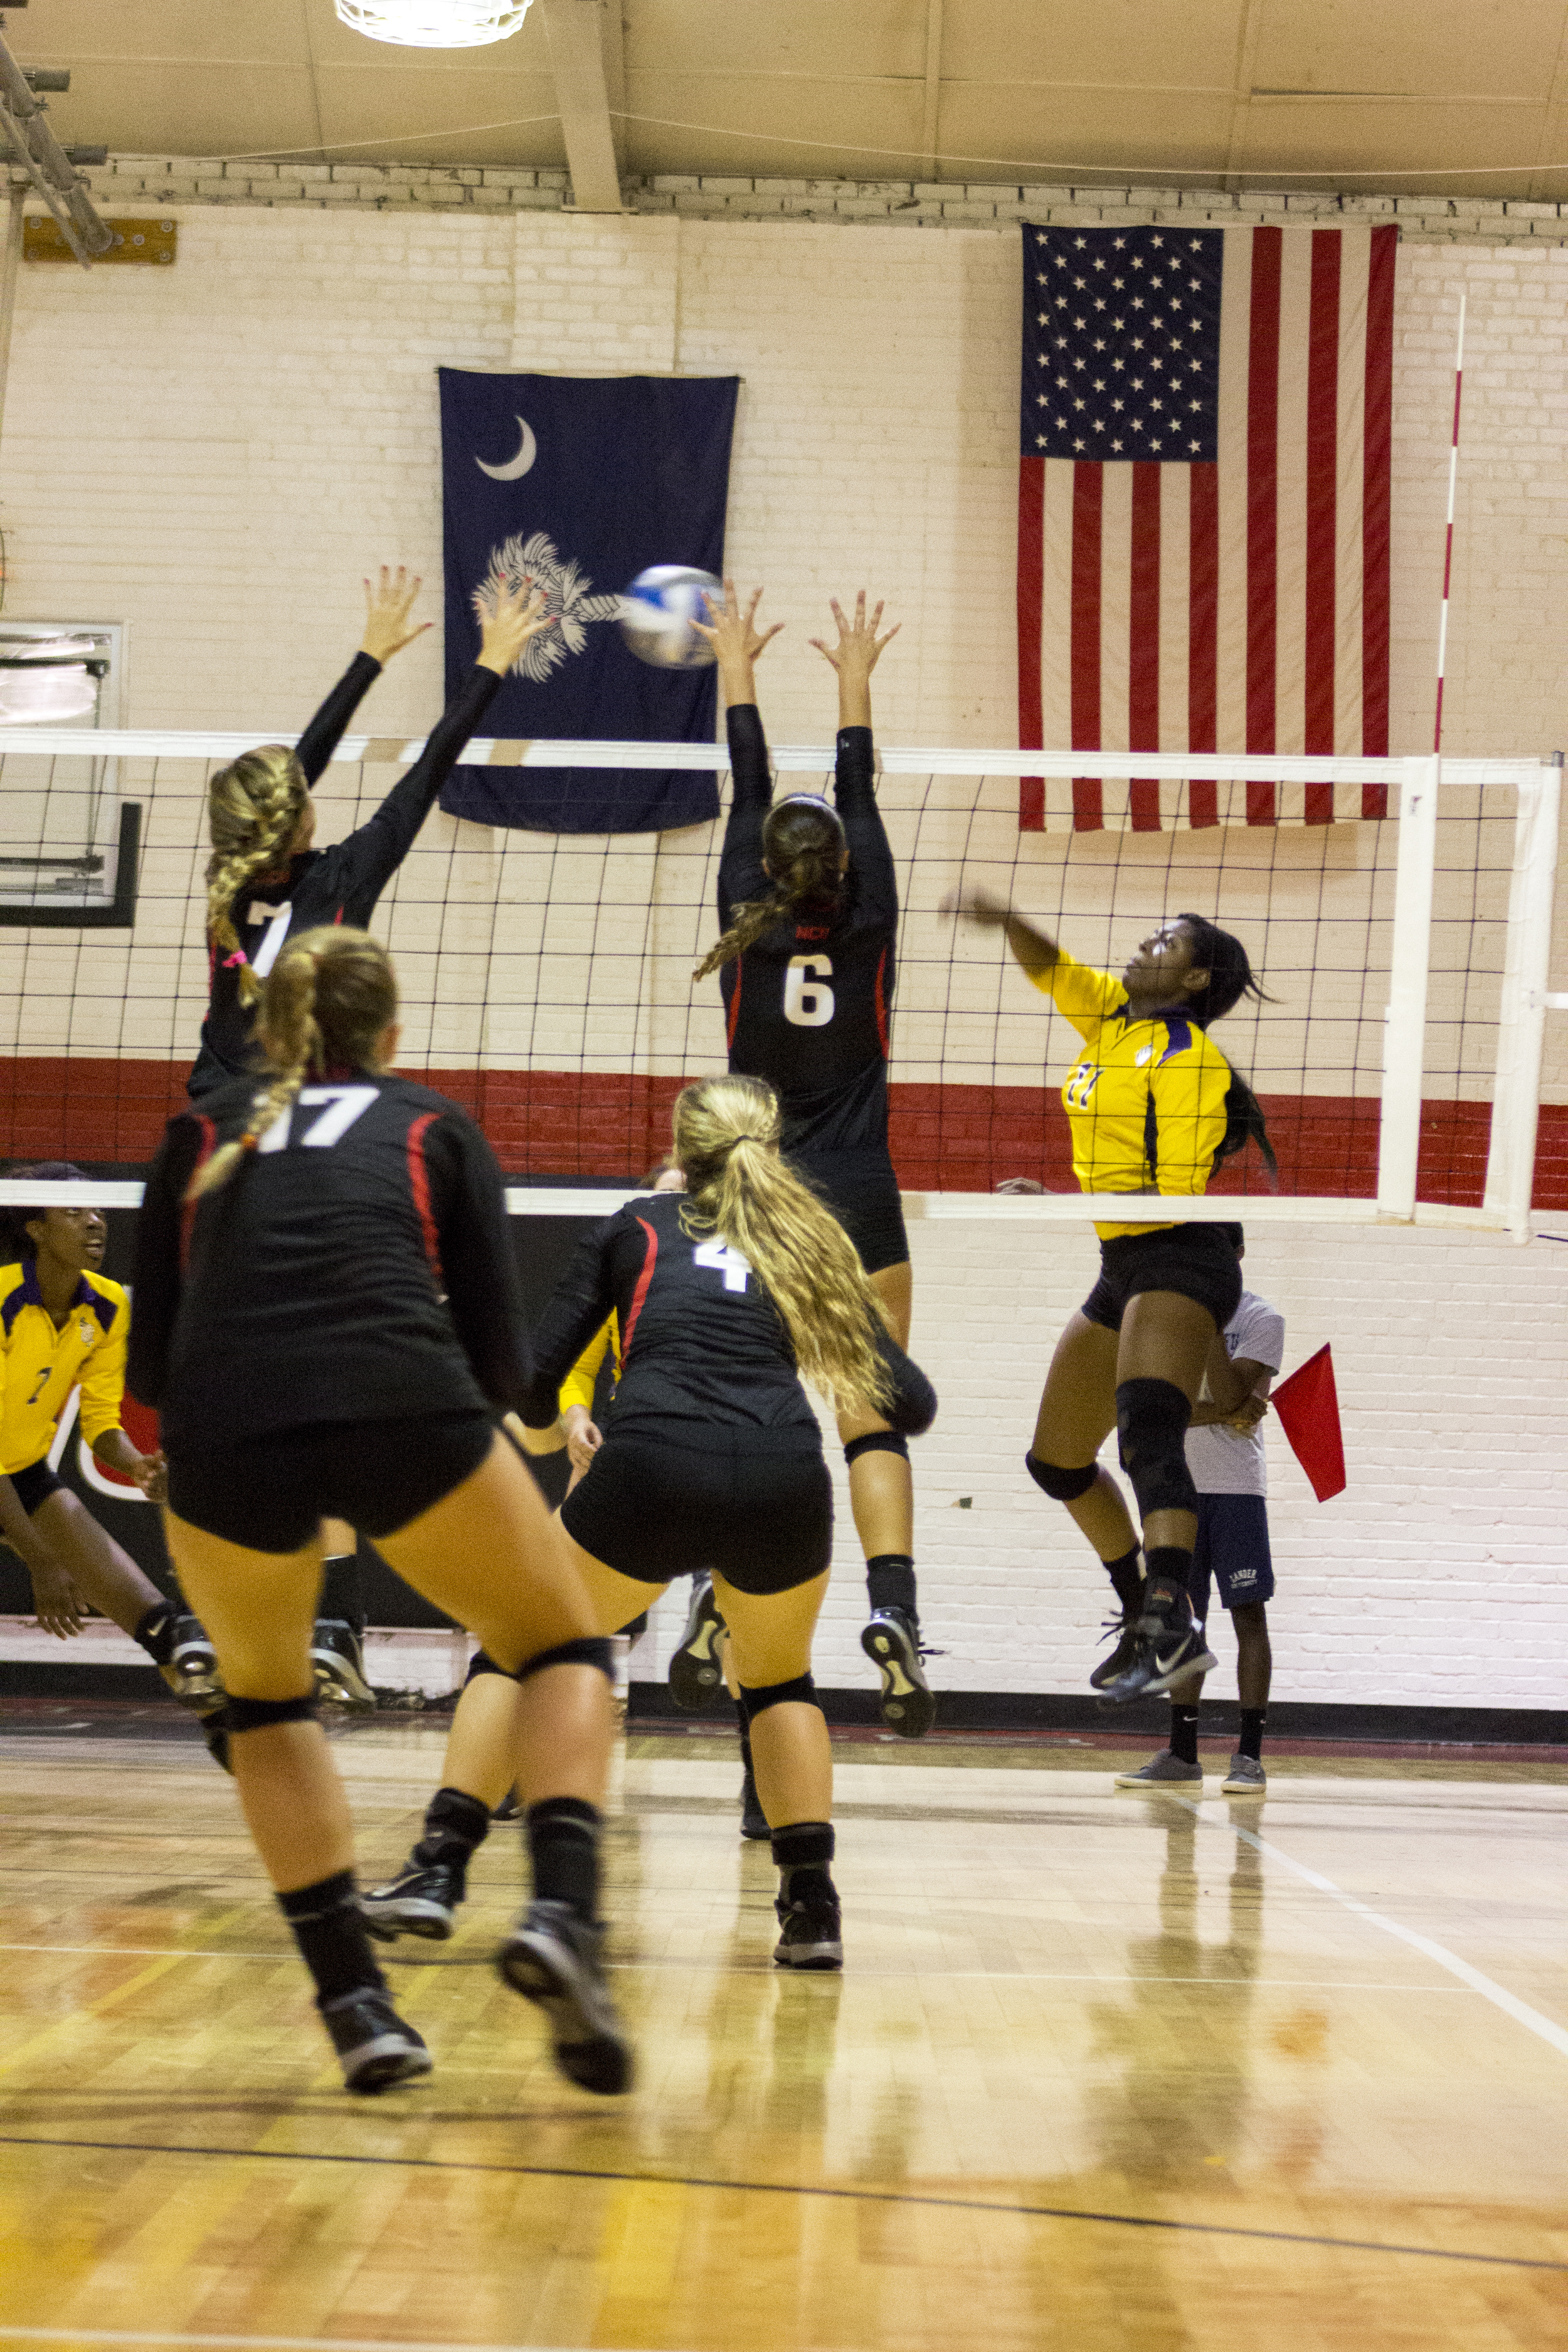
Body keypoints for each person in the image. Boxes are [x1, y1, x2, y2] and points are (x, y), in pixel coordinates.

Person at [129, 918, 630, 2099]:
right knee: (561, 1644)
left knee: (265, 1703)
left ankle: (356, 2006)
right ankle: (563, 1915)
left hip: (224, 1428)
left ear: (268, 1030)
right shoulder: (430, 1124)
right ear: (391, 1034)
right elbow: (506, 1367)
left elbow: (149, 1374)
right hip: (402, 1400)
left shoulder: (201, 1128)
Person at [363, 1074, 937, 1973]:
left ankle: (438, 1867)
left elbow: (534, 1380)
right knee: (779, 1684)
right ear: (771, 1147)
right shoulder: (812, 1244)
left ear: (684, 1150)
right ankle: (810, 1905)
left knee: (519, 1647)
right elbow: (913, 1400)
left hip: (653, 1463)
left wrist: (540, 1414)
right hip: (783, 1477)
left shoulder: (636, 1224)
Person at [189, 569, 548, 1714]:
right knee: (343, 1369)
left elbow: (290, 772)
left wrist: (369, 658)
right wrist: (485, 666)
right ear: (301, 824)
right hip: (308, 1141)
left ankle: (283, 1629)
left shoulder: (226, 881)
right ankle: (333, 1619)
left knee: (265, 1380)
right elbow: (427, 773)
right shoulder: (341, 884)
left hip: (214, 1137)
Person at [688, 585, 934, 1740]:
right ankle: (896, 1608)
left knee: (738, 1405)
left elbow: (751, 785)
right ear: (843, 867)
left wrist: (733, 661)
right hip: (864, 1189)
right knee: (868, 1416)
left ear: (774, 875)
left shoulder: (747, 906)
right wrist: (853, 681)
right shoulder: (873, 913)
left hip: (760, 1192)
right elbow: (857, 791)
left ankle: (705, 1592)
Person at [943, 896, 1276, 1702]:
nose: (1142, 941)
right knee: (1055, 1462)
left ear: (1194, 976)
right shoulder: (1113, 1020)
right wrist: (1005, 917)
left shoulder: (1186, 1055)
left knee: (1147, 1436)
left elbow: (1171, 1195)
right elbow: (1051, 968)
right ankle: (1152, 1619)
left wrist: (1054, 1201)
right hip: (1122, 1261)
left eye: (1164, 940)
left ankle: (1167, 1617)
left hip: (1181, 1256)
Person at [0, 1165, 221, 1732]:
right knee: (56, 1553)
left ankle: (228, 1728)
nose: (96, 1222)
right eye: (73, 1212)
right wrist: (41, 1558)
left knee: (159, 1623)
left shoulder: (106, 1305)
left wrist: (138, 1465)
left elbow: (100, 1423)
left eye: (97, 1210)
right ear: (36, 1229)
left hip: (19, 1470)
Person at [1116, 1226, 1281, 1793]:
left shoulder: (1264, 1318)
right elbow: (1152, 1411)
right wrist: (1225, 1410)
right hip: (1177, 1492)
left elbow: (1229, 1393)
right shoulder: (1155, 1312)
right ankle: (1182, 1755)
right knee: (1184, 1621)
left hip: (1236, 1492)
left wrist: (1210, 1327)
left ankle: (1250, 1756)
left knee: (1249, 1618)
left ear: (1235, 1255)